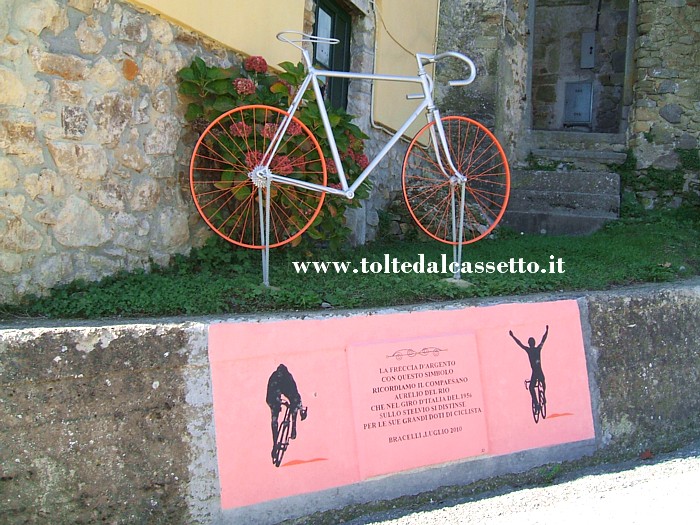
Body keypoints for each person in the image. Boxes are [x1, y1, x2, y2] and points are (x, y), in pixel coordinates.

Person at [266, 364, 308, 451]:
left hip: (286, 389)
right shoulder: (274, 378)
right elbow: (270, 395)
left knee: (295, 402)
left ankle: (293, 427)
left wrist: (300, 408)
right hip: (274, 394)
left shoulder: (288, 378)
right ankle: (275, 444)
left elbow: (295, 393)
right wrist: (279, 402)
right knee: (274, 418)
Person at [509, 325, 549, 410]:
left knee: (531, 388)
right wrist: (547, 331)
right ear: (534, 343)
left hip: (535, 373)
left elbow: (520, 344)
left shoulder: (529, 350)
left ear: (529, 343)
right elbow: (543, 339)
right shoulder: (538, 349)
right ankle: (544, 396)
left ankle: (536, 403)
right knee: (543, 381)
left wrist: (513, 336)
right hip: (540, 371)